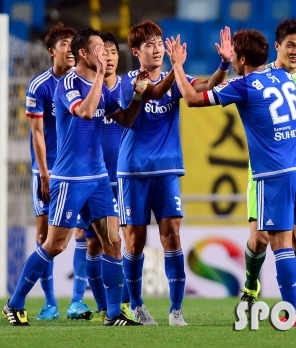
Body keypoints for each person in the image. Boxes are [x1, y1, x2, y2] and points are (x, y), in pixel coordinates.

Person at [167, 29, 296, 326]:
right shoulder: (286, 78)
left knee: (281, 243)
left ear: (244, 59)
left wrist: (177, 66)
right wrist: (225, 63)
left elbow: (190, 98)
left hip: (275, 174)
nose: (233, 61)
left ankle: (291, 312)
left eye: (235, 57)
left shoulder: (244, 85)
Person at [3, 27, 147, 327]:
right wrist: (99, 77)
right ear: (84, 53)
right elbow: (84, 111)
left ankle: (113, 313)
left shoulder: (99, 85)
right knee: (55, 245)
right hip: (69, 178)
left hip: (97, 178)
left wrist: (136, 96)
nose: (106, 54)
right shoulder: (68, 83)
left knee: (113, 242)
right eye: (99, 49)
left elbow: (125, 119)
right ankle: (14, 303)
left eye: (107, 51)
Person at [118, 20, 231, 326]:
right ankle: (137, 306)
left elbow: (209, 86)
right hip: (133, 171)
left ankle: (176, 310)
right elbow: (152, 93)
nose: (156, 50)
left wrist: (224, 64)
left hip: (167, 170)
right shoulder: (129, 80)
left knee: (173, 234)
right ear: (136, 51)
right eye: (150, 45)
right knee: (135, 240)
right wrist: (176, 68)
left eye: (159, 43)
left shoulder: (178, 76)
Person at [239, 19, 296, 315]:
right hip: (265, 172)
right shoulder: (262, 77)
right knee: (261, 239)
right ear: (277, 46)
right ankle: (252, 283)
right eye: (290, 45)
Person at [26, 22, 93, 321]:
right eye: (64, 43)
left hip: (77, 170)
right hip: (47, 170)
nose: (70, 49)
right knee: (45, 237)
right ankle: (50, 302)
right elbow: (37, 133)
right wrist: (43, 173)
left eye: (73, 43)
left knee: (82, 232)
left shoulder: (83, 80)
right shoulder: (39, 86)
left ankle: (77, 300)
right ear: (52, 50)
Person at [82, 32, 134, 323]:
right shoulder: (88, 90)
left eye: (114, 52)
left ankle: (124, 303)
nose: (109, 57)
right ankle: (104, 306)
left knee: (125, 240)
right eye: (105, 51)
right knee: (94, 243)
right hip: (94, 178)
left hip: (124, 176)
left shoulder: (127, 87)